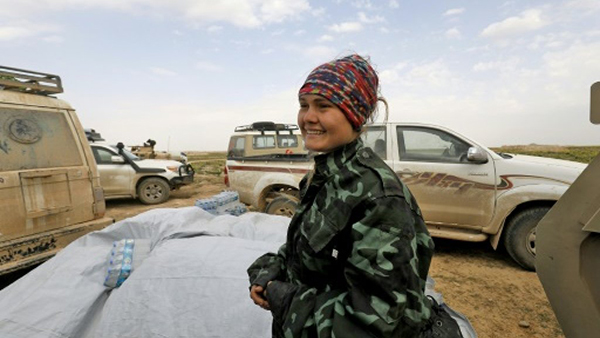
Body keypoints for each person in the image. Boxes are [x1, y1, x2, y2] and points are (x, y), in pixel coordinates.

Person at [248, 54, 461, 337]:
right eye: (304, 105)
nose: (308, 117)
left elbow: (374, 320)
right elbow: (303, 251)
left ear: (354, 115)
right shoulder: (323, 177)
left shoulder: (380, 198)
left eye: (323, 106)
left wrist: (284, 299)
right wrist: (268, 272)